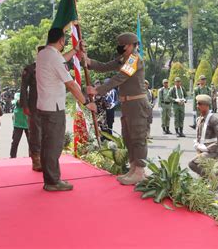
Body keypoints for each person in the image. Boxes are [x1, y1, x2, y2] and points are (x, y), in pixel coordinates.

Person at [85, 32, 151, 185]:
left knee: (138, 137)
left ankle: (140, 171)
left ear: (129, 46)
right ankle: (134, 169)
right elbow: (105, 67)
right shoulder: (124, 58)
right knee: (128, 137)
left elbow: (120, 77)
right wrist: (88, 61)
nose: (120, 48)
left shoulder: (134, 59)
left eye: (122, 45)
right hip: (127, 104)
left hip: (137, 104)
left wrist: (98, 90)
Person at [37, 28, 96, 192]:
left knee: (48, 144)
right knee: (53, 145)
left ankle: (50, 178)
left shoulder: (44, 54)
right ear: (62, 41)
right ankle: (52, 181)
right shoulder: (53, 57)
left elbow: (61, 59)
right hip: (53, 108)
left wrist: (75, 50)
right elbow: (70, 84)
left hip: (45, 106)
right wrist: (85, 103)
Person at [188, 95, 218, 185]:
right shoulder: (199, 119)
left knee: (192, 164)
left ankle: (214, 181)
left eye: (199, 104)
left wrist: (207, 149)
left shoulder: (213, 120)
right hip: (202, 151)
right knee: (208, 170)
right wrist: (197, 144)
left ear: (206, 106)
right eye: (197, 104)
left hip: (211, 152)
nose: (197, 106)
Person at [20, 46, 44, 171]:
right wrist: (24, 105)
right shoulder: (30, 68)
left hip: (49, 104)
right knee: (35, 132)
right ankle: (36, 160)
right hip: (34, 105)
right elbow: (23, 88)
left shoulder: (51, 67)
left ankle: (47, 159)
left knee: (48, 133)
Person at [10, 92, 29, 158]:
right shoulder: (18, 94)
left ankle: (32, 157)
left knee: (32, 142)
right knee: (15, 141)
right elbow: (18, 102)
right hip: (18, 123)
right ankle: (12, 157)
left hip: (29, 123)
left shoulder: (33, 95)